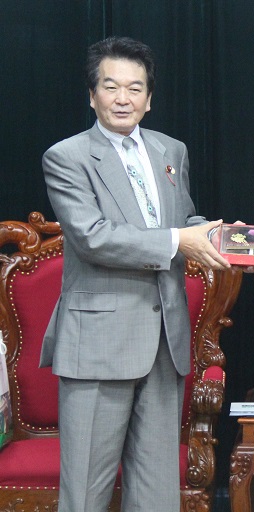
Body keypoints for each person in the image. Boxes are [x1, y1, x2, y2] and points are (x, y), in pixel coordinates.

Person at [40, 36, 230, 512]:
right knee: (85, 490)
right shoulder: (67, 157)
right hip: (100, 342)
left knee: (156, 492)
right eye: (111, 87)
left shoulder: (171, 150)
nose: (123, 98)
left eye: (135, 88)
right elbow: (93, 236)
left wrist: (227, 241)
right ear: (92, 95)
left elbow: (183, 222)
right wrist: (178, 242)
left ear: (150, 98)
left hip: (166, 341)